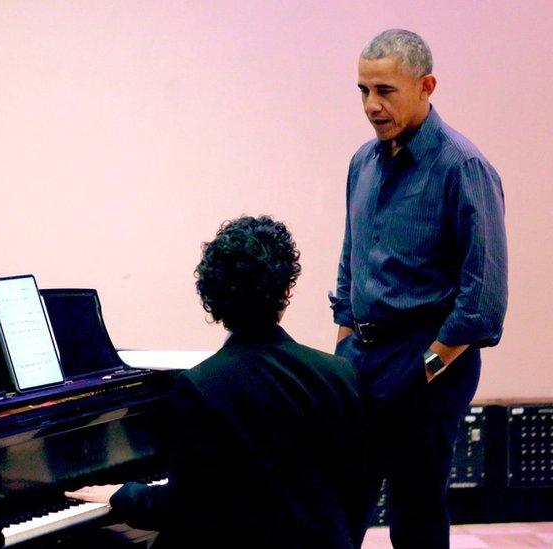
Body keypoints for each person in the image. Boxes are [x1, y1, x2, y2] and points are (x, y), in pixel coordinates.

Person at [67, 216, 367, 547]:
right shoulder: (339, 373)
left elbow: (185, 507)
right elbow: (358, 488)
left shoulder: (200, 387)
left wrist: (124, 495)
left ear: (212, 295)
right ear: (285, 290)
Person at [330, 29, 507, 547]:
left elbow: (484, 297)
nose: (371, 105)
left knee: (416, 512)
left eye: (385, 90)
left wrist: (425, 368)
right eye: (363, 90)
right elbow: (350, 262)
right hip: (363, 355)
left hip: (428, 358)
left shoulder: (463, 167)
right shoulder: (362, 161)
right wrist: (342, 349)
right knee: (340, 501)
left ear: (426, 85)